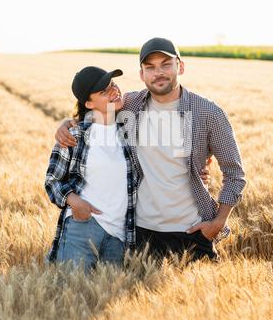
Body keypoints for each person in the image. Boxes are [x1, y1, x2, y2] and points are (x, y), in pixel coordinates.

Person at [56, 38, 246, 262]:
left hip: (193, 231)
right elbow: (95, 116)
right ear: (142, 74)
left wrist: (218, 222)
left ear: (180, 66)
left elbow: (235, 174)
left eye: (166, 64)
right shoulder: (131, 105)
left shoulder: (208, 113)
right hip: (141, 233)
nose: (159, 73)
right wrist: (68, 124)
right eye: (150, 67)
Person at [45, 66, 137, 273]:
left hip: (120, 235)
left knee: (105, 300)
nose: (114, 91)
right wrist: (75, 202)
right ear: (88, 103)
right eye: (104, 91)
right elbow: (52, 181)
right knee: (70, 296)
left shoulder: (129, 132)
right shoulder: (73, 136)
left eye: (113, 84)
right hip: (84, 226)